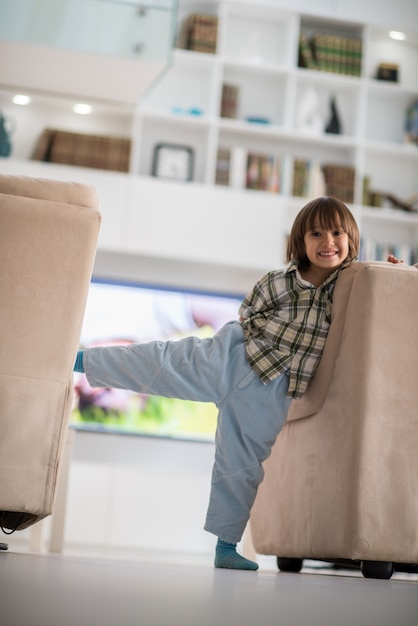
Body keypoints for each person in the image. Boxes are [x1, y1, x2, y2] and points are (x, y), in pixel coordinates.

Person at [73, 196, 394, 571]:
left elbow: (376, 291)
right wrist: (245, 341)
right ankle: (77, 359)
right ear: (300, 242)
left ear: (351, 239)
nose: (328, 241)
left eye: (337, 233)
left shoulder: (345, 286)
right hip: (233, 358)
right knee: (162, 361)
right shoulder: (281, 279)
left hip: (272, 391)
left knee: (241, 465)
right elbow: (249, 310)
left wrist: (391, 271)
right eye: (317, 233)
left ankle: (226, 548)